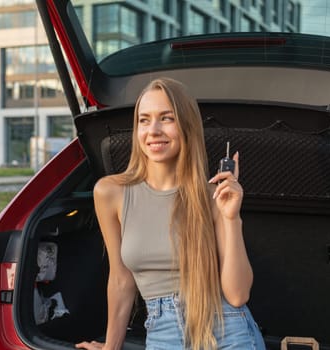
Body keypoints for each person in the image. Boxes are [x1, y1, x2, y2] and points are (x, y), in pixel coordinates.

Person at [76, 77, 265, 350]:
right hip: (162, 331)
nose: (153, 130)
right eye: (144, 120)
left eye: (166, 118)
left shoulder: (212, 196)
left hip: (227, 329)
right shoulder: (110, 192)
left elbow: (237, 295)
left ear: (187, 127)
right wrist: (110, 347)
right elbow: (121, 278)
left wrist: (231, 218)